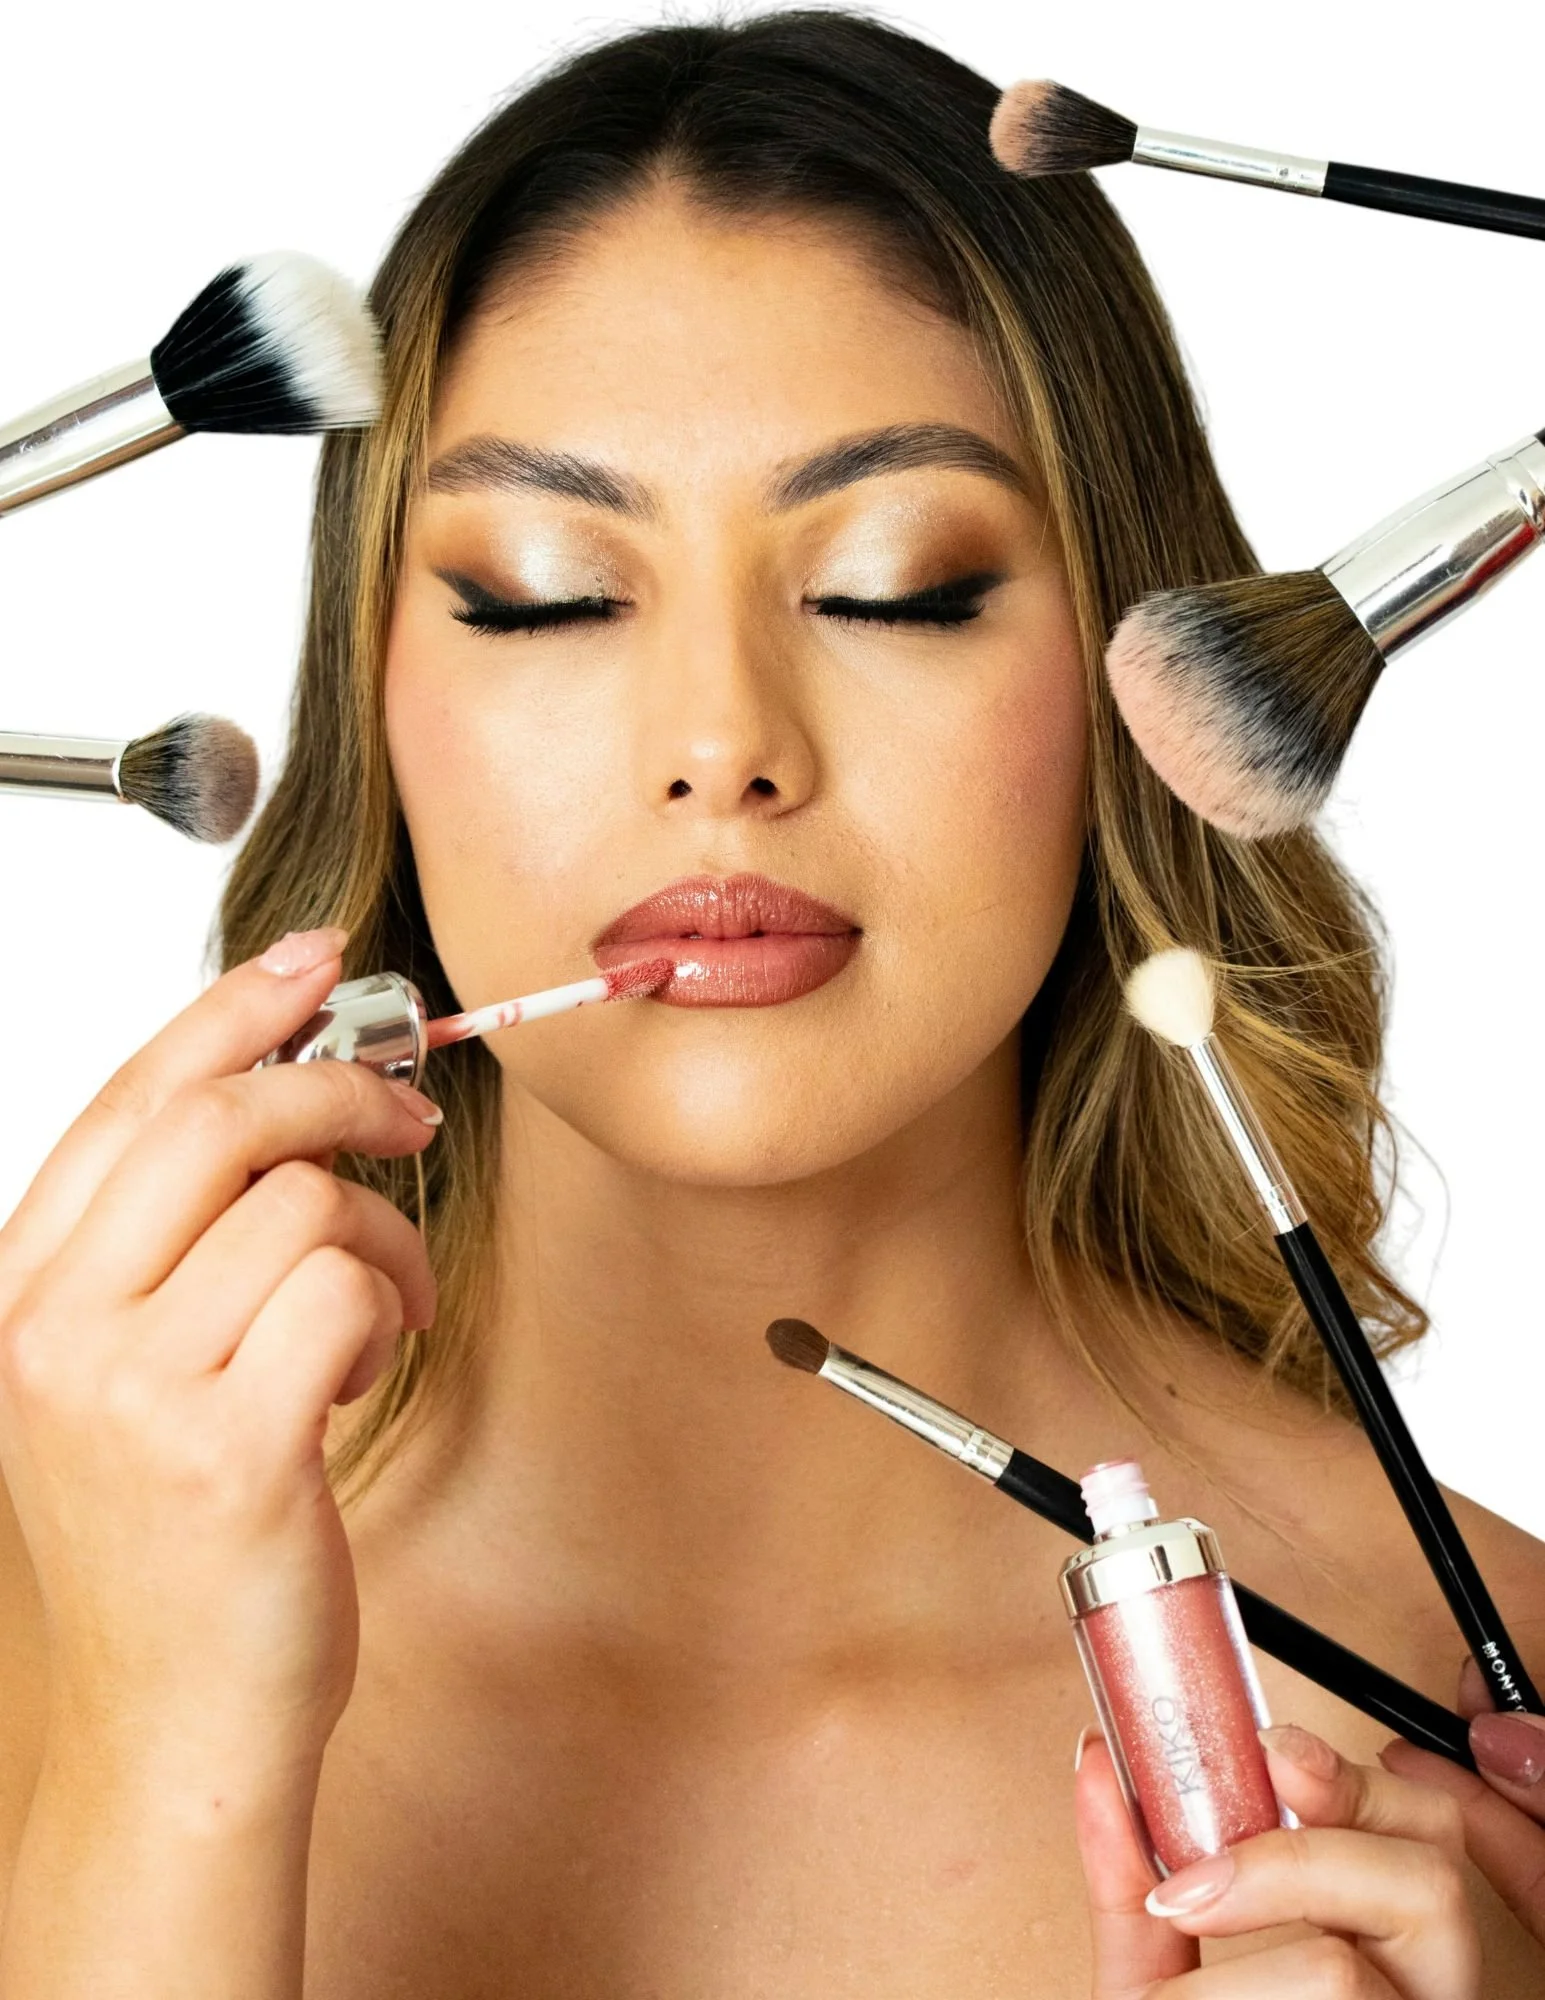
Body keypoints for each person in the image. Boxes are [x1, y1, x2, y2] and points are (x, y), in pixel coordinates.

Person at [1, 14, 1542, 1995]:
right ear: (372, 710)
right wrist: (159, 1773)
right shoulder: (59, 1620)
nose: (720, 743)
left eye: (897, 587)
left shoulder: (1469, 1707)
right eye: (549, 593)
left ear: (1139, 680)